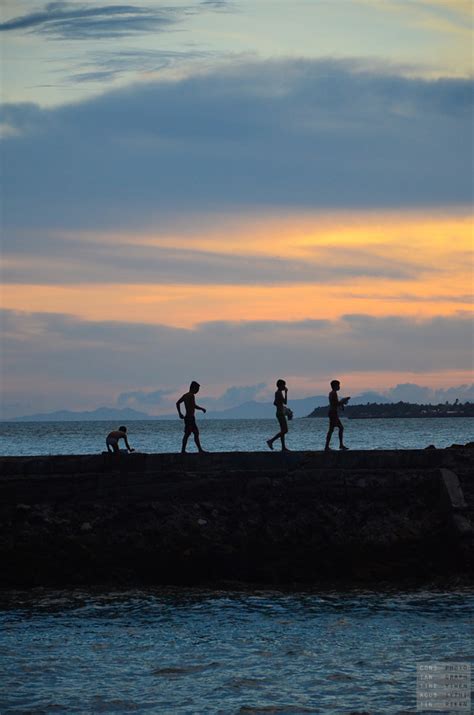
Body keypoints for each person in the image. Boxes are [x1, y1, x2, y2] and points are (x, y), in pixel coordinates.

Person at [176, 381, 207, 453]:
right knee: (194, 433)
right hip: (190, 418)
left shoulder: (185, 395)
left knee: (188, 434)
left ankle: (184, 450)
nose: (197, 391)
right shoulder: (191, 395)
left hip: (187, 418)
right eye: (197, 389)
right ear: (193, 388)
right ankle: (199, 450)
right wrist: (202, 409)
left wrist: (180, 413)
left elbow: (177, 403)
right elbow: (194, 406)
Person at [324, 380, 350, 451]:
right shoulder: (333, 393)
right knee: (335, 429)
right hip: (333, 413)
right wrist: (343, 401)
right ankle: (330, 446)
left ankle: (335, 445)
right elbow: (335, 404)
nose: (339, 387)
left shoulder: (332, 393)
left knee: (336, 429)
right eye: (338, 385)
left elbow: (336, 403)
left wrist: (342, 404)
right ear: (335, 386)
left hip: (333, 413)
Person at [266, 379, 290, 451]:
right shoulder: (279, 393)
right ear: (280, 385)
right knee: (285, 430)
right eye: (283, 385)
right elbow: (285, 402)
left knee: (283, 430)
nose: (284, 386)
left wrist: (281, 406)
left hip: (279, 413)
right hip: (280, 414)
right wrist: (286, 393)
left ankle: (283, 447)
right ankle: (271, 441)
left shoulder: (277, 393)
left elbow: (275, 403)